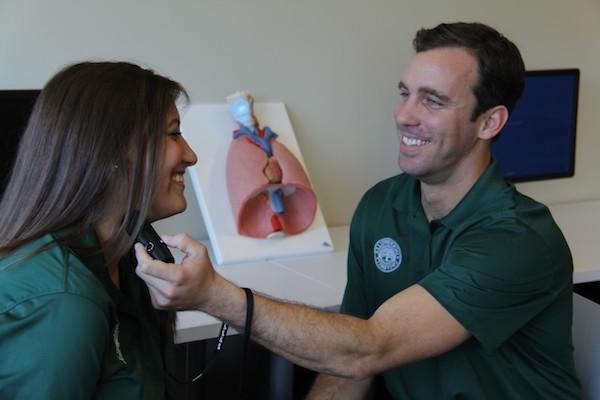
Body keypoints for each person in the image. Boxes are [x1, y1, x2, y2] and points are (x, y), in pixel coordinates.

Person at [134, 22, 582, 399]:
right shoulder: (383, 205)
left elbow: (369, 349)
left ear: (490, 122)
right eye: (404, 92)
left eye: (432, 100)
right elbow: (350, 356)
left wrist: (214, 294)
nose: (404, 115)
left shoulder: (517, 239)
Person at [0, 61, 198, 399]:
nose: (191, 156)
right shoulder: (63, 305)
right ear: (115, 149)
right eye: (173, 133)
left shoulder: (127, 260)